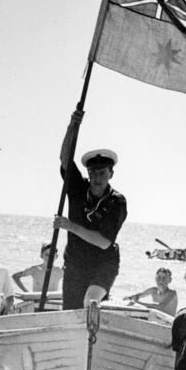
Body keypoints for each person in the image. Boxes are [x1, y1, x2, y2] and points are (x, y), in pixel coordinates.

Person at [55, 110, 127, 310]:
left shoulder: (117, 202)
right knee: (71, 313)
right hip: (75, 264)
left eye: (102, 172)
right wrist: (72, 126)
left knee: (90, 301)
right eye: (93, 172)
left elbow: (104, 242)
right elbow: (65, 159)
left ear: (110, 173)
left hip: (104, 264)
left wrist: (69, 226)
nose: (97, 176)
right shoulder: (78, 188)